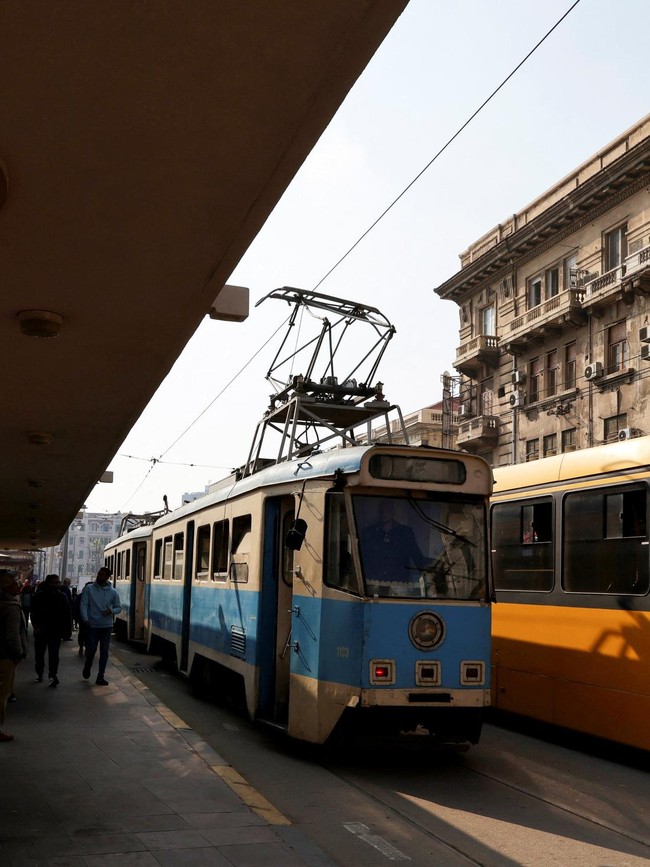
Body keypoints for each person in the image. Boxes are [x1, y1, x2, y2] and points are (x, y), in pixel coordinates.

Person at [360, 500, 428, 585]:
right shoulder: (369, 533)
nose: (384, 513)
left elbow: (417, 557)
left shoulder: (405, 533)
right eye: (382, 510)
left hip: (399, 585)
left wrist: (427, 576)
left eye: (388, 509)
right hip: (374, 584)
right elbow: (362, 559)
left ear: (393, 511)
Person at [80, 567, 121, 686]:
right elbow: (84, 605)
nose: (99, 576)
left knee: (104, 652)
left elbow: (119, 607)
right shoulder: (89, 589)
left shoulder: (113, 592)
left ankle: (100, 676)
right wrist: (85, 619)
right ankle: (88, 665)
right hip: (92, 625)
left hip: (106, 626)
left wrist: (111, 611)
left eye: (102, 575)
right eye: (99, 574)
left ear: (107, 577)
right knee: (91, 649)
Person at [30, 574, 73, 687]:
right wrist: (36, 626)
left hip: (54, 631)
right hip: (43, 630)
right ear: (48, 583)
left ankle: (52, 675)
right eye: (53, 582)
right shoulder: (41, 596)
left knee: (52, 654)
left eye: (57, 582)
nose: (55, 585)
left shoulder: (60, 596)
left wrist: (67, 630)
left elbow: (67, 614)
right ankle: (41, 673)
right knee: (41, 654)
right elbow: (34, 613)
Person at [0, 570, 27, 742]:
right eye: (15, 583)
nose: (18, 586)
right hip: (5, 655)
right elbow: (13, 635)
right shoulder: (11, 607)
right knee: (3, 692)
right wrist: (18, 654)